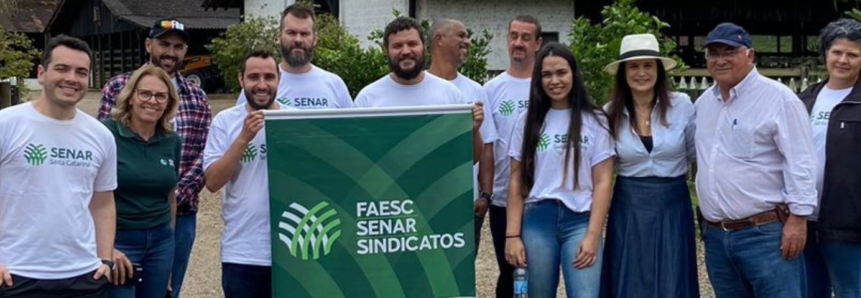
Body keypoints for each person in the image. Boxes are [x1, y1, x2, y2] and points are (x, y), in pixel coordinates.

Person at [695, 23, 816, 298]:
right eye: (713, 53)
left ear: (750, 55)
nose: (721, 59)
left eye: (729, 51)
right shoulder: (704, 103)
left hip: (765, 234)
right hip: (715, 235)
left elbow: (801, 162)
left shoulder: (779, 99)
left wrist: (798, 219)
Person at [98, 18, 211, 298]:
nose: (170, 52)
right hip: (122, 220)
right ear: (149, 44)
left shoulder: (197, 96)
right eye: (164, 44)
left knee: (167, 290)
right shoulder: (117, 86)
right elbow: (100, 156)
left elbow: (204, 151)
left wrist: (178, 191)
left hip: (174, 216)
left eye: (178, 46)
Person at [0, 35, 116, 297]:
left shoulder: (101, 135)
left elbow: (103, 202)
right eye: (62, 69)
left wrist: (105, 259)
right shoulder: (6, 124)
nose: (71, 78)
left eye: (81, 72)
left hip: (84, 274)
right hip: (16, 274)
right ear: (42, 73)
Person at [504, 42, 615, 298]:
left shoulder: (595, 120)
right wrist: (512, 234)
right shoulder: (528, 121)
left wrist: (593, 234)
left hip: (580, 221)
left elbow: (603, 182)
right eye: (546, 74)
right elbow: (516, 179)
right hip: (537, 220)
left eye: (561, 72)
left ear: (573, 74)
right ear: (538, 79)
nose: (555, 80)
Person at [599, 34, 698, 297]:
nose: (641, 73)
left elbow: (695, 153)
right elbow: (603, 169)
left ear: (658, 70)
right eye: (633, 66)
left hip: (673, 203)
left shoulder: (682, 106)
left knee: (673, 275)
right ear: (623, 73)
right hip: (629, 204)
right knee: (630, 275)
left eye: (648, 66)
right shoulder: (609, 113)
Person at [204, 50, 287, 298]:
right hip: (242, 251)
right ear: (241, 80)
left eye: (269, 77)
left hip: (292, 249)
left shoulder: (295, 120)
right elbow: (213, 182)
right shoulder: (225, 121)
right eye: (253, 77)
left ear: (279, 79)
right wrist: (243, 138)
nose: (262, 85)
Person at [354, 17, 485, 158]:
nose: (405, 51)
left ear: (424, 48)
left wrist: (473, 131)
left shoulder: (450, 94)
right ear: (387, 51)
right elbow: (357, 158)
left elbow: (472, 159)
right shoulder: (367, 99)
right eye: (397, 46)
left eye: (412, 44)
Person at [102, 65, 181, 298]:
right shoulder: (106, 134)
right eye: (145, 93)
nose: (152, 101)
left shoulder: (172, 140)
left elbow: (171, 198)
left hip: (160, 242)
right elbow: (87, 197)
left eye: (160, 96)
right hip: (119, 240)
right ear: (130, 97)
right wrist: (105, 249)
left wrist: (170, 245)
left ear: (168, 102)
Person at [799, 18, 861, 298]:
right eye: (837, 52)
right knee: (809, 291)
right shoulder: (805, 100)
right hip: (803, 218)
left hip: (848, 221)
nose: (843, 60)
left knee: (851, 290)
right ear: (825, 53)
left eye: (853, 54)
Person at [482, 15, 542, 298]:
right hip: (505, 198)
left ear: (538, 44)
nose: (518, 43)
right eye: (514, 36)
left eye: (526, 37)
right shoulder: (492, 89)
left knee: (540, 272)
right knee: (510, 272)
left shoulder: (548, 85)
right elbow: (488, 147)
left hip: (543, 196)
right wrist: (488, 192)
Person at [426, 18, 499, 249]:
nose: (467, 41)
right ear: (439, 40)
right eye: (461, 35)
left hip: (464, 202)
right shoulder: (417, 87)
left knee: (464, 273)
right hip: (424, 201)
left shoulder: (475, 90)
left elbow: (487, 147)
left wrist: (485, 195)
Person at [235, 4, 353, 109]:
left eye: (304, 33)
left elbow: (353, 129)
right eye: (291, 33)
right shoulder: (258, 86)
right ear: (279, 36)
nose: (298, 40)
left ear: (315, 38)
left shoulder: (335, 84)